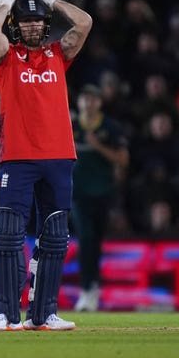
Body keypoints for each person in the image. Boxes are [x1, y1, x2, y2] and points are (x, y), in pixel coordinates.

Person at [0, 0, 92, 331]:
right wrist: (8, 1)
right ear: (16, 24)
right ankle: (4, 313)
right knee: (9, 232)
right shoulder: (6, 59)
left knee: (55, 234)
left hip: (60, 156)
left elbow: (85, 23)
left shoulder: (58, 55)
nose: (32, 25)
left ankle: (43, 315)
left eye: (38, 20)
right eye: (25, 21)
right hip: (17, 156)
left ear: (45, 25)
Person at [71, 84, 129, 312]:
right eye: (84, 98)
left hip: (104, 193)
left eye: (92, 99)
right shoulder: (71, 126)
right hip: (78, 194)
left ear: (99, 103)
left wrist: (98, 146)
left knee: (96, 241)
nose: (88, 103)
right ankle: (86, 289)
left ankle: (93, 287)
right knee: (85, 238)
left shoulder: (110, 127)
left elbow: (123, 159)